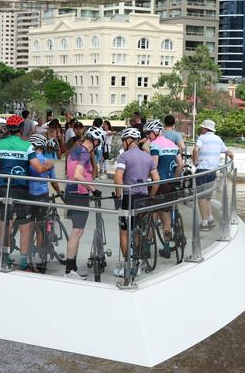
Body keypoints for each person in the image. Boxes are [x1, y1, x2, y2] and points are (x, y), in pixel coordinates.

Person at [0, 114, 54, 271]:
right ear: (22, 129)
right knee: (25, 226)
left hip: (3, 189)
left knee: (5, 224)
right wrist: (48, 166)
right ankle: (24, 263)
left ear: (8, 129)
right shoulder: (27, 146)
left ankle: (5, 259)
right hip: (21, 190)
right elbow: (38, 168)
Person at [112, 127, 159, 277]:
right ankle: (138, 265)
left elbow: (118, 179)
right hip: (143, 198)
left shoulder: (124, 157)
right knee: (138, 230)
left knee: (124, 233)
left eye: (122, 141)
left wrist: (118, 198)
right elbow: (156, 180)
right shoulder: (147, 157)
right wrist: (151, 195)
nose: (122, 143)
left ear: (128, 140)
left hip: (129, 198)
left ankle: (128, 266)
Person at [64, 126, 106, 279]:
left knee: (78, 231)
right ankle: (69, 270)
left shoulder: (76, 150)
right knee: (76, 232)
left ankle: (72, 266)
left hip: (72, 192)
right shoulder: (84, 153)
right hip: (79, 194)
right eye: (98, 143)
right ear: (95, 141)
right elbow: (77, 175)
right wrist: (93, 189)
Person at [144, 119, 183, 258]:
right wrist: (175, 179)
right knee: (166, 219)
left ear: (156, 132)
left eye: (149, 133)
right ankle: (166, 248)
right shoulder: (173, 145)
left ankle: (147, 248)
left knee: (152, 217)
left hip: (158, 184)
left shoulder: (154, 145)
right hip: (170, 184)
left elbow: (153, 166)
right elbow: (180, 165)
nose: (148, 136)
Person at [27, 134, 63, 271]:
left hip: (28, 195)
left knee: (31, 222)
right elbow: (53, 182)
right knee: (42, 224)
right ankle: (41, 258)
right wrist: (59, 192)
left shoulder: (28, 160)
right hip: (42, 195)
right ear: (42, 146)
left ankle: (29, 249)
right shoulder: (47, 161)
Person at [193, 119, 233, 230]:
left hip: (202, 171)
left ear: (205, 128)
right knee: (207, 197)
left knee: (201, 198)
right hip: (212, 171)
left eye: (202, 127)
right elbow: (228, 152)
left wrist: (195, 161)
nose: (201, 129)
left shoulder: (202, 138)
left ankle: (204, 223)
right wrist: (231, 160)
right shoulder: (218, 139)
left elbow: (196, 149)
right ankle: (210, 219)